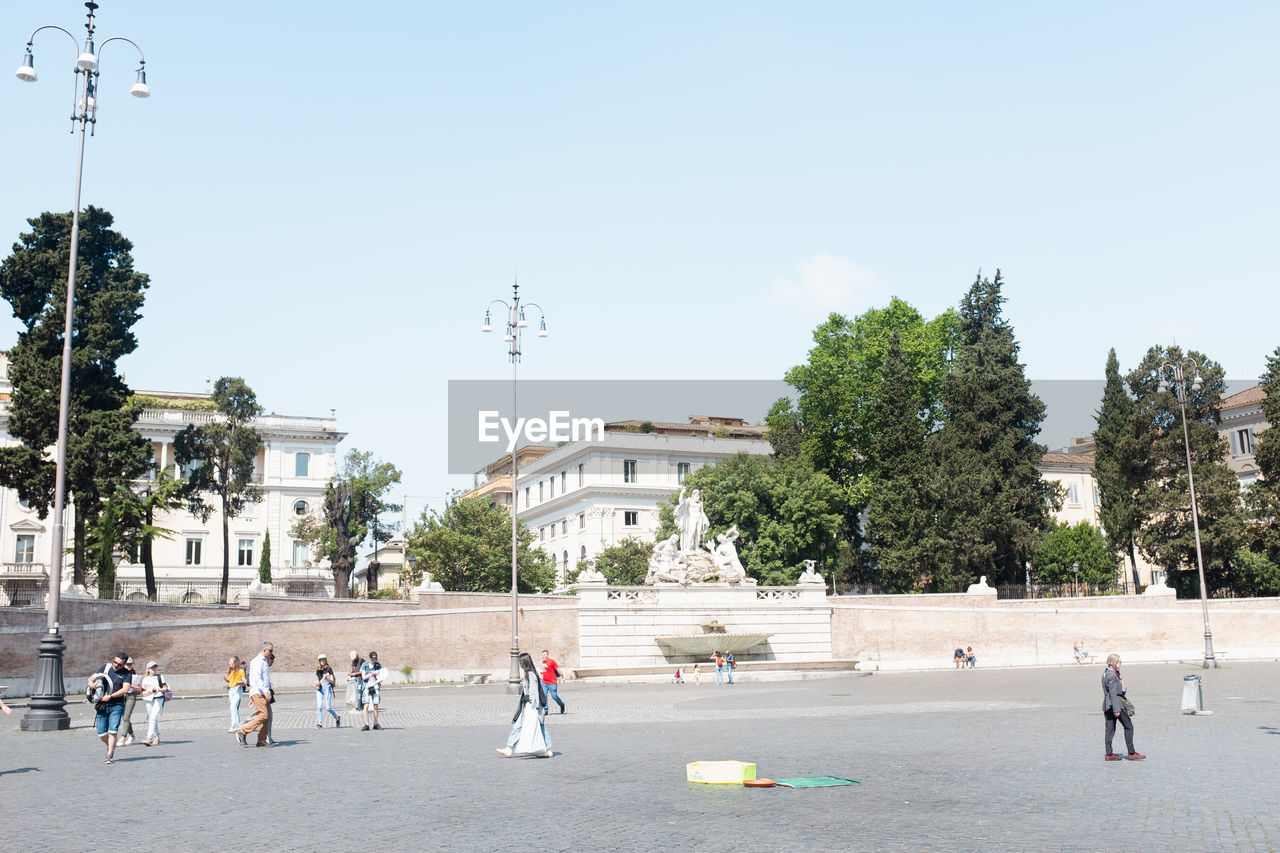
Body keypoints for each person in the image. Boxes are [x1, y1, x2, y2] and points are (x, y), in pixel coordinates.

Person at [496, 652, 552, 758]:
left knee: (539, 727)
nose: (519, 665)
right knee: (520, 726)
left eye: (520, 662)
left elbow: (534, 692)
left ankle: (547, 749)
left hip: (532, 707)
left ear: (524, 662)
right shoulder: (529, 673)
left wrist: (532, 706)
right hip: (528, 707)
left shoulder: (530, 674)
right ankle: (509, 748)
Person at [89, 651, 133, 764]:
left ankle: (110, 755)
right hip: (102, 705)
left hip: (117, 705)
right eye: (115, 662)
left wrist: (111, 696)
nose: (116, 665)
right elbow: (92, 677)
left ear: (123, 664)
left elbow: (125, 689)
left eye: (119, 664)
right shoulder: (106, 667)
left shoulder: (127, 674)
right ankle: (111, 746)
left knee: (113, 730)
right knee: (101, 733)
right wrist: (90, 682)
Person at [1102, 653, 1145, 761]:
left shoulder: (1107, 673)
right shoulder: (1111, 675)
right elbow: (1112, 693)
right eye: (1119, 661)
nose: (1121, 663)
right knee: (1129, 727)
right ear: (1113, 662)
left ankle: (1109, 754)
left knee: (1110, 730)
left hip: (1108, 705)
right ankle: (1131, 752)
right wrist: (1116, 709)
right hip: (1116, 705)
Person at [236, 642, 273, 748]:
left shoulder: (264, 662)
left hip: (262, 692)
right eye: (270, 651)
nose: (271, 653)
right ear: (265, 650)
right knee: (264, 715)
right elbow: (257, 679)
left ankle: (261, 740)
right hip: (258, 691)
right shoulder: (257, 661)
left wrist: (267, 691)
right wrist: (265, 691)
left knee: (266, 716)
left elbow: (265, 679)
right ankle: (243, 731)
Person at [139, 661, 168, 747]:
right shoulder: (145, 679)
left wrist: (159, 690)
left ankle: (149, 738)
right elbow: (143, 693)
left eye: (155, 667)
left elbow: (165, 688)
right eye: (152, 667)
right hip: (149, 699)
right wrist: (149, 691)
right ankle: (157, 736)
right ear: (148, 669)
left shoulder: (160, 677)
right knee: (152, 719)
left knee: (153, 717)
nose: (154, 669)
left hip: (158, 699)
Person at [117, 657, 140, 745]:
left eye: (130, 664)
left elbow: (139, 688)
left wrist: (130, 686)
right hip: (122, 696)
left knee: (126, 717)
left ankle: (123, 737)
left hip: (131, 696)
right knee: (124, 717)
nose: (129, 666)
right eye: (127, 664)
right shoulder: (121, 674)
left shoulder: (134, 675)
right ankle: (132, 735)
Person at [315, 653, 341, 728]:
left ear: (325, 660)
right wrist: (316, 682)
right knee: (319, 706)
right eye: (321, 660)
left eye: (323, 659)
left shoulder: (329, 669)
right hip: (320, 689)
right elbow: (318, 678)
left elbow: (332, 681)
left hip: (327, 688)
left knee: (328, 707)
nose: (322, 661)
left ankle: (337, 718)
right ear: (319, 661)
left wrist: (327, 678)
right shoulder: (318, 669)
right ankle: (319, 723)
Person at [360, 650, 383, 730]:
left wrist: (380, 679)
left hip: (375, 685)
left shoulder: (378, 665)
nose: (374, 660)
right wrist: (372, 674)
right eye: (373, 659)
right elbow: (363, 677)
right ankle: (366, 724)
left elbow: (381, 676)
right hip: (366, 686)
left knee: (376, 705)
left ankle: (376, 724)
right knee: (366, 705)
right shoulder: (364, 665)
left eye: (375, 658)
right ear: (369, 658)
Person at [225, 656, 247, 731]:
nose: (229, 663)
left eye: (230, 662)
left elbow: (245, 682)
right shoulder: (231, 670)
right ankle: (238, 724)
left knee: (233, 707)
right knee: (234, 708)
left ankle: (233, 725)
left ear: (235, 663)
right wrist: (226, 679)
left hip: (238, 690)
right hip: (231, 690)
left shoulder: (241, 671)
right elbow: (230, 681)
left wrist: (238, 683)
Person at [541, 649, 566, 714]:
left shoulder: (552, 662)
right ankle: (546, 710)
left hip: (552, 682)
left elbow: (558, 669)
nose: (543, 656)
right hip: (544, 682)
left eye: (544, 654)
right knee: (544, 696)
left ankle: (561, 704)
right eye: (542, 654)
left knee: (554, 696)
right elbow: (544, 671)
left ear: (547, 655)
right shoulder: (543, 662)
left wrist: (562, 676)